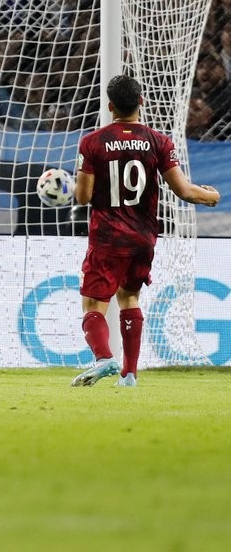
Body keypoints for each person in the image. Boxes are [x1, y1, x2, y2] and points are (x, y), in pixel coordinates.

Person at [70, 76, 220, 388]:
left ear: (110, 106)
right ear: (141, 102)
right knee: (129, 297)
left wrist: (68, 188)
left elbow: (82, 197)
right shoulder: (159, 141)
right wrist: (210, 196)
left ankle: (104, 358)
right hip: (143, 237)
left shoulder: (92, 142)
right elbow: (184, 190)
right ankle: (129, 375)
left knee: (93, 304)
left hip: (108, 237)